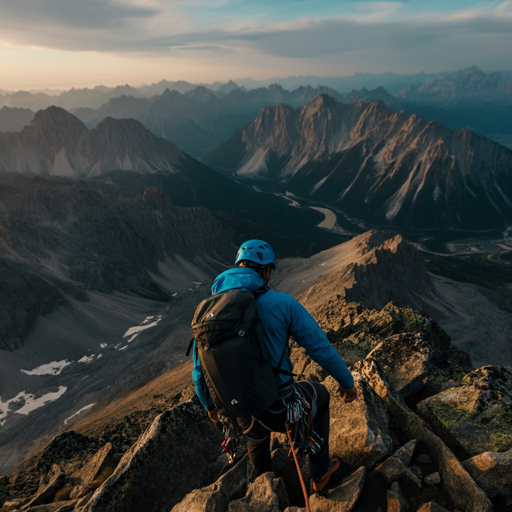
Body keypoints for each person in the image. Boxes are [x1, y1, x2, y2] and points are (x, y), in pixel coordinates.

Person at [192, 239, 357, 496]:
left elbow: (199, 369)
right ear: (265, 271)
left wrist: (211, 407)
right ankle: (321, 475)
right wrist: (347, 383)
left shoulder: (209, 312)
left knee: (255, 438)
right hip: (281, 409)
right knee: (321, 397)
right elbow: (319, 348)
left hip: (239, 410)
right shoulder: (282, 303)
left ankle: (264, 486)